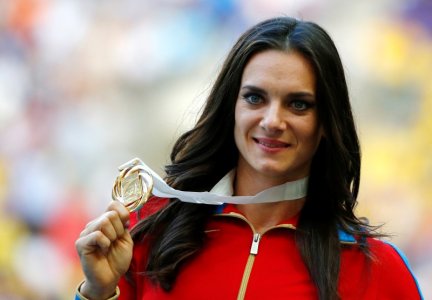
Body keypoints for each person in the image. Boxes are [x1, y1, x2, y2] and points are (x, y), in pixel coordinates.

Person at [75, 17, 423, 300]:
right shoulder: (152, 230)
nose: (272, 121)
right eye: (255, 98)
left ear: (326, 124)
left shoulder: (376, 270)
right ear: (232, 109)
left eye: (298, 104)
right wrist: (98, 292)